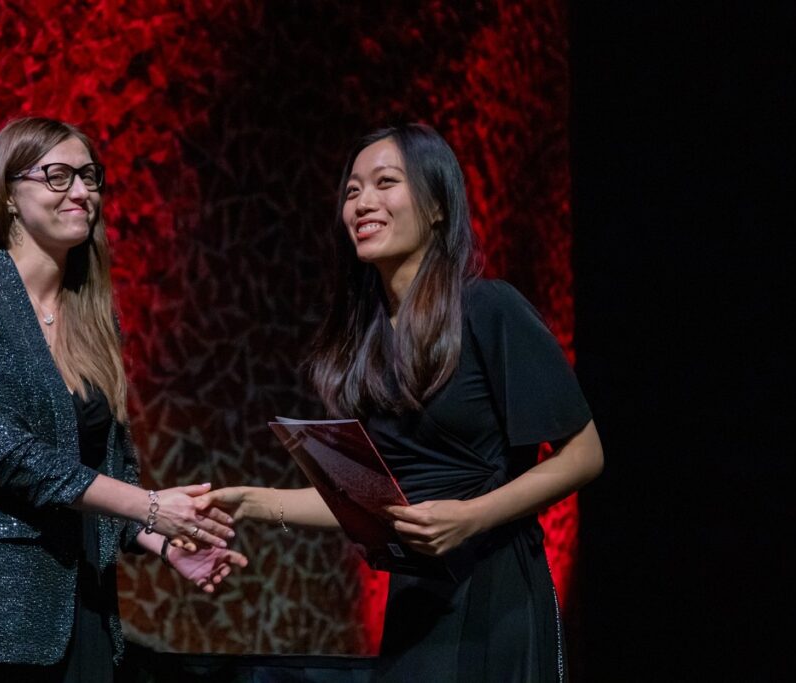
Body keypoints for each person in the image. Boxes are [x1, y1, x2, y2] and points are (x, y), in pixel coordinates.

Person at [200, 124, 603, 681]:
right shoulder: (368, 341)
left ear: (437, 205)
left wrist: (469, 517)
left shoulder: (489, 308)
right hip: (418, 601)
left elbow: (584, 455)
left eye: (385, 183)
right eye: (351, 191)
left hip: (496, 591)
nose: (363, 202)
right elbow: (372, 505)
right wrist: (249, 503)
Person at [0, 117, 247, 683]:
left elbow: (107, 469)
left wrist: (161, 539)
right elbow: (6, 453)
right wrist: (152, 506)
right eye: (58, 176)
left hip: (79, 611)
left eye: (89, 177)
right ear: (7, 194)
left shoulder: (94, 318)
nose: (82, 192)